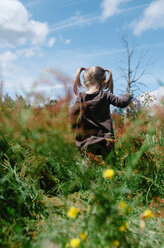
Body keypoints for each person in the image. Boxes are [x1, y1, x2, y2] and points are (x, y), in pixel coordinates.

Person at [70, 66, 132, 160]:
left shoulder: (81, 97)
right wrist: (127, 95)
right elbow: (122, 103)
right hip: (104, 138)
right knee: (110, 164)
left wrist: (73, 128)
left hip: (86, 138)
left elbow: (73, 114)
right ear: (104, 80)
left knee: (87, 163)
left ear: (85, 81)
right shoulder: (106, 95)